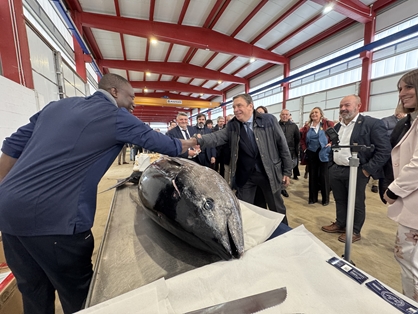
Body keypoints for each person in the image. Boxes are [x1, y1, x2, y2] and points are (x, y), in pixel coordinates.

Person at [0, 73, 196, 314]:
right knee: (79, 296)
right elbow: (167, 145)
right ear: (114, 92)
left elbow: (11, 146)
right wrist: (194, 142)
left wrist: (7, 194)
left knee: (33, 291)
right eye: (131, 97)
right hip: (57, 221)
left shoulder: (55, 107)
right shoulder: (115, 116)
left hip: (8, 215)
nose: (133, 103)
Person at [193, 93, 293, 224]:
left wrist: (287, 171)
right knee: (246, 209)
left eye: (239, 105)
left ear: (250, 106)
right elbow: (216, 137)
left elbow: (282, 145)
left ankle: (284, 234)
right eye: (234, 107)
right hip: (246, 176)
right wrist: (196, 141)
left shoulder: (268, 120)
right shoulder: (233, 125)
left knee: (277, 209)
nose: (235, 110)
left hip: (269, 173)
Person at [321, 95, 391, 243]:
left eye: (347, 105)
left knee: (356, 202)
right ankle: (341, 224)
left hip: (357, 171)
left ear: (358, 106)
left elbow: (384, 150)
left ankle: (354, 230)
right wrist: (331, 165)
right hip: (336, 169)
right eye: (341, 106)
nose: (342, 109)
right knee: (340, 200)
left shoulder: (372, 124)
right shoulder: (338, 127)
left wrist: (367, 170)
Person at [383, 69, 418, 302]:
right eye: (400, 89)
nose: (402, 93)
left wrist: (393, 190)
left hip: (413, 207)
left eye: (408, 87)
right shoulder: (412, 121)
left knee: (408, 260)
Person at [300, 107, 334, 205]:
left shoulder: (328, 124)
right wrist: (305, 148)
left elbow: (335, 136)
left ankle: (325, 199)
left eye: (316, 112)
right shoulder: (307, 126)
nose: (314, 114)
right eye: (312, 113)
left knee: (324, 176)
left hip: (324, 152)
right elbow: (302, 139)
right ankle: (312, 198)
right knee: (312, 176)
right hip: (311, 152)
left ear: (320, 114)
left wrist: (331, 143)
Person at [279, 109, 301, 198]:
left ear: (289, 115)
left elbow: (297, 139)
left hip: (290, 152)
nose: (284, 116)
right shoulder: (276, 125)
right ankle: (281, 189)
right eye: (283, 114)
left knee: (287, 171)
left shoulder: (294, 126)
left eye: (286, 114)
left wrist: (296, 152)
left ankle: (283, 187)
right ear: (280, 116)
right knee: (279, 171)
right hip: (278, 153)